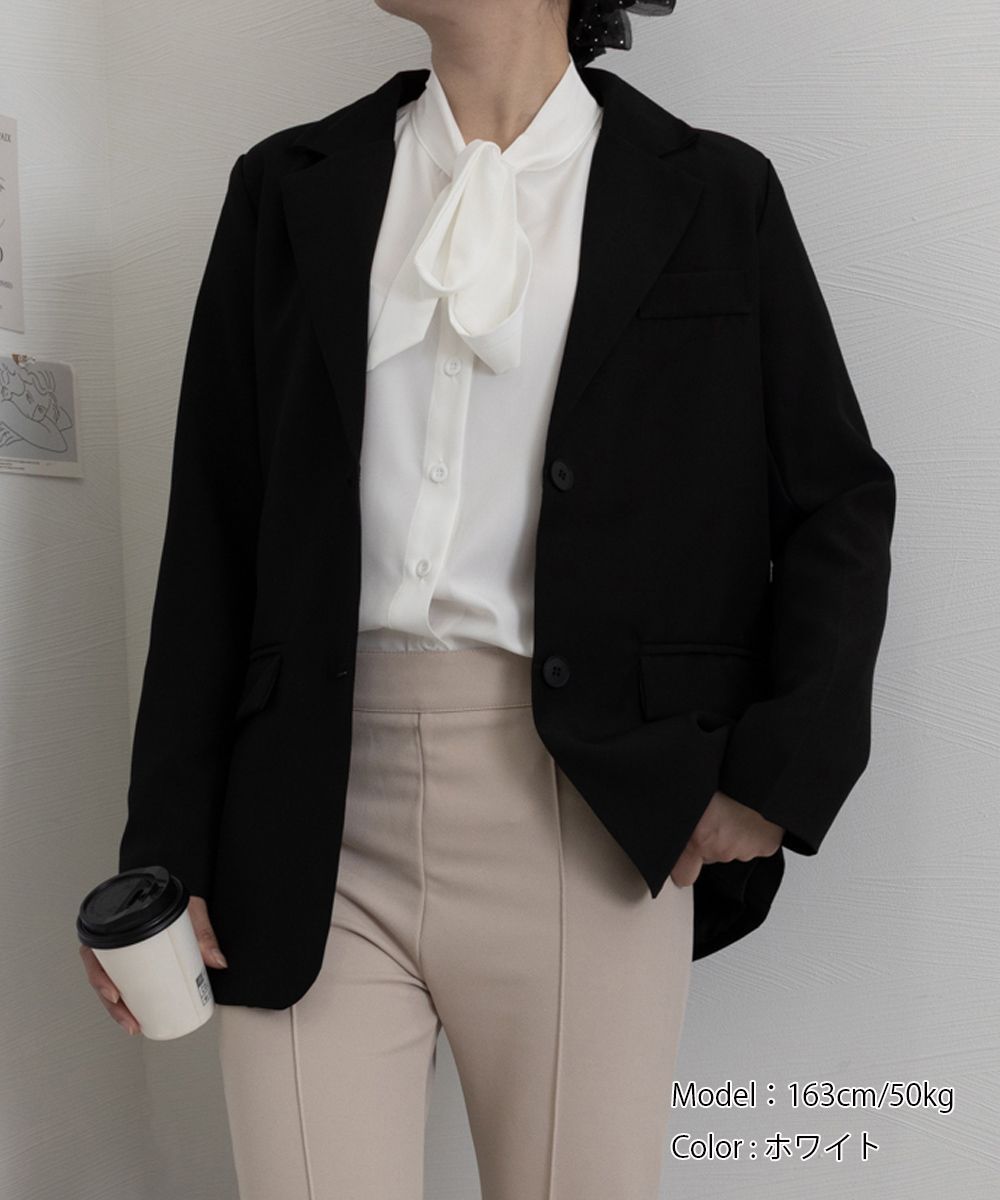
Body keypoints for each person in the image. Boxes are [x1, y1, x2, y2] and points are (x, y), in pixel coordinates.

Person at [80, 0, 896, 1196]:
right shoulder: (287, 187)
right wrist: (164, 848)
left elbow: (836, 500)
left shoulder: (715, 195)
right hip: (304, 819)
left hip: (585, 817)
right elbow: (212, 536)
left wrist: (778, 775)